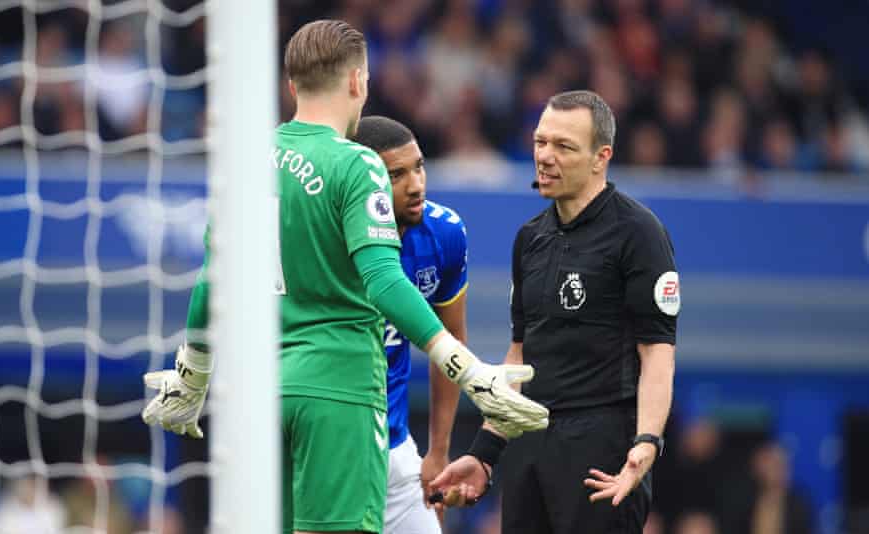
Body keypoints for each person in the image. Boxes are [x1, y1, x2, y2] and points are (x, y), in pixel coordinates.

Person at [140, 19, 549, 534]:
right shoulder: (357, 164)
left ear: (292, 85)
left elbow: (210, 282)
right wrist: (467, 369)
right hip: (340, 390)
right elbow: (382, 279)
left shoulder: (245, 160)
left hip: (263, 393)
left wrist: (194, 375)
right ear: (359, 82)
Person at [431, 90, 679, 533]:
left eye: (563, 146)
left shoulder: (639, 233)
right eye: (540, 142)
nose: (545, 156)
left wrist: (646, 442)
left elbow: (657, 355)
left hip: (601, 450)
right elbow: (518, 360)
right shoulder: (529, 239)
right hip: (530, 443)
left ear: (601, 157)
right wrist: (485, 453)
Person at [353, 115, 466, 533]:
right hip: (325, 448)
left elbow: (451, 342)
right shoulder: (321, 239)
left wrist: (438, 452)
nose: (416, 184)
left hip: (395, 450)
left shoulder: (444, 234)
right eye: (395, 174)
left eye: (419, 166)